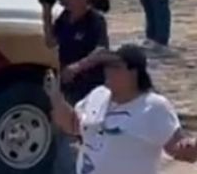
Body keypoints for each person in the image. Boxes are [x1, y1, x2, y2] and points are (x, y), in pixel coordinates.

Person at [47, 44, 197, 174]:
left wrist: (191, 146)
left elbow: (182, 151)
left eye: (116, 67)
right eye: (107, 66)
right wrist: (55, 96)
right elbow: (73, 125)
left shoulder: (154, 107)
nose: (108, 71)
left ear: (134, 73)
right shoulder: (98, 95)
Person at [41, 0, 110, 174]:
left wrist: (78, 66)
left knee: (84, 137)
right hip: (67, 88)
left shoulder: (95, 20)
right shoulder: (64, 17)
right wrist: (46, 11)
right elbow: (50, 41)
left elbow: (101, 51)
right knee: (63, 134)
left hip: (90, 88)